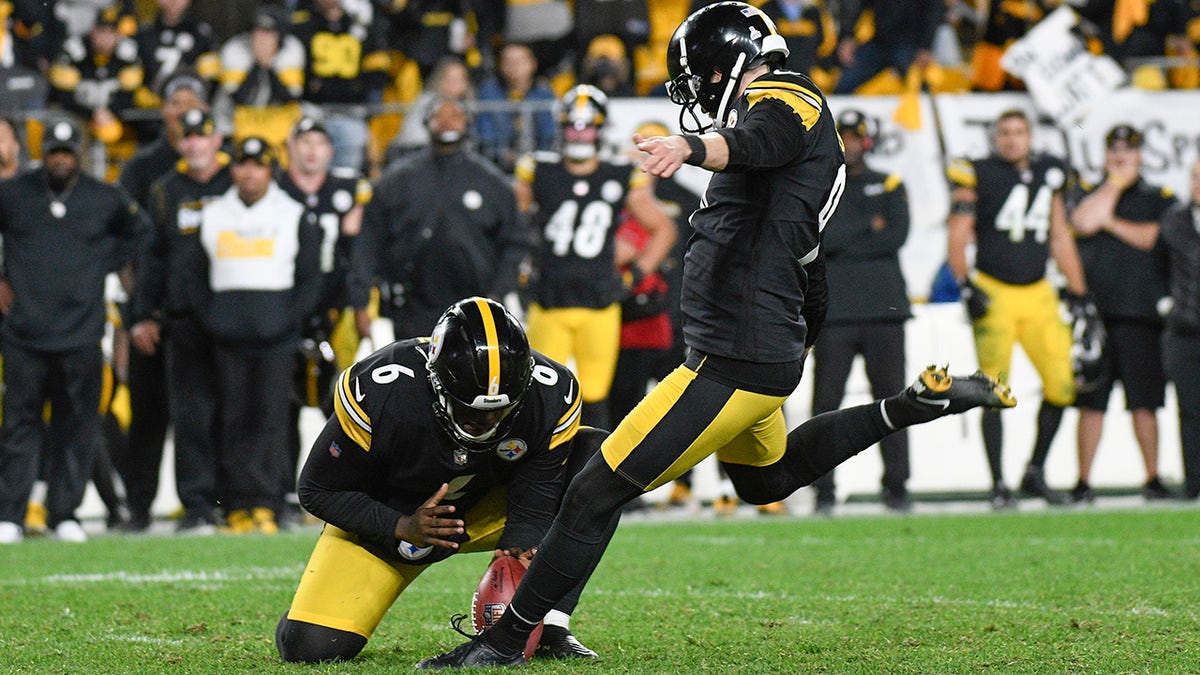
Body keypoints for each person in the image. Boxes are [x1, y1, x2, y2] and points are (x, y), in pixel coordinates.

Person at [417, 3, 1015, 667]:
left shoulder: (788, 98)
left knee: (594, 484)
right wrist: (799, 330)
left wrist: (691, 149)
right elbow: (806, 250)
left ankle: (509, 640)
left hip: (734, 353)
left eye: (698, 77)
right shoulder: (785, 129)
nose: (697, 94)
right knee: (768, 479)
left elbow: (757, 140)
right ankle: (908, 405)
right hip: (755, 346)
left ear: (726, 63)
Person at [275, 297, 612, 663]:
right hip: (390, 523)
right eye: (471, 410)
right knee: (310, 648)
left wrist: (524, 539)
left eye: (500, 410)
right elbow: (318, 489)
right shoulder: (383, 389)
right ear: (436, 383)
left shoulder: (549, 392)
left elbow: (540, 485)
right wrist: (400, 525)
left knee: (599, 461)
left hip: (483, 509)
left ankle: (552, 629)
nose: (486, 422)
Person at [0, 118, 150, 545]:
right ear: (43, 153)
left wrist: (104, 260)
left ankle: (64, 512)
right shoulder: (13, 194)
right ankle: (10, 512)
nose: (60, 160)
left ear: (79, 155)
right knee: (18, 425)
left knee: (78, 425)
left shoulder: (104, 198)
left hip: (82, 331)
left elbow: (141, 233)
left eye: (67, 153)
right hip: (24, 330)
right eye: (53, 152)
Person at [945, 108, 1090, 509]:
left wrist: (1080, 293)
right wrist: (965, 284)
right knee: (993, 391)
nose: (1012, 139)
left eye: (1019, 131)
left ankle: (1035, 470)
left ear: (1030, 136)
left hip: (1040, 292)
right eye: (1004, 132)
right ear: (995, 137)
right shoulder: (978, 172)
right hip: (995, 290)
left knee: (1062, 385)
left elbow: (1059, 234)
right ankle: (998, 484)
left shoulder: (1051, 171)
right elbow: (958, 231)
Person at [181, 136, 322, 534]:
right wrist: (213, 317)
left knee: (272, 420)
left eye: (258, 165)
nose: (249, 173)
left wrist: (287, 319)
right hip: (227, 337)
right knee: (232, 420)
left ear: (269, 170)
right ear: (233, 170)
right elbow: (192, 275)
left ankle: (269, 503)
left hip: (276, 337)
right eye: (243, 164)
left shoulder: (292, 213)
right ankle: (236, 504)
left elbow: (311, 278)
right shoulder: (213, 214)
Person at [516, 84, 676, 430]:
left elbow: (664, 229)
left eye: (586, 125)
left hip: (599, 300)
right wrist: (521, 265)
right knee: (542, 397)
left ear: (600, 128)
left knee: (595, 399)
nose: (579, 132)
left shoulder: (619, 173)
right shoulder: (538, 170)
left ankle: (588, 478)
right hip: (550, 299)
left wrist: (634, 274)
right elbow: (511, 224)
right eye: (573, 125)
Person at [129, 107, 231, 533]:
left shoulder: (237, 181)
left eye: (201, 136)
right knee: (189, 415)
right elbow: (151, 259)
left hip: (233, 318)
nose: (195, 145)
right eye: (187, 138)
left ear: (216, 141)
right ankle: (197, 502)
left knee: (236, 413)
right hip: (185, 318)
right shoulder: (165, 190)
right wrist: (142, 314)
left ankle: (238, 499)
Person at [350, 96, 527, 342]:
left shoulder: (492, 182)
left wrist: (498, 292)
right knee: (415, 376)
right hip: (409, 305)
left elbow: (515, 242)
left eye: (455, 116)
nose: (446, 123)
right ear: (426, 122)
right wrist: (360, 301)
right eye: (439, 116)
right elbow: (368, 242)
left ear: (467, 123)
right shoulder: (397, 180)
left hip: (474, 307)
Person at [114, 74, 209, 531]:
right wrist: (138, 312)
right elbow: (129, 245)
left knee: (202, 412)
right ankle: (137, 507)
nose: (183, 112)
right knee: (147, 413)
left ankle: (204, 503)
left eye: (192, 104)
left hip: (199, 313)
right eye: (176, 103)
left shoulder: (221, 170)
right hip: (152, 307)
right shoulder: (141, 168)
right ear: (163, 111)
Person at [810, 109, 913, 515]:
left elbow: (897, 236)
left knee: (894, 401)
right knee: (826, 404)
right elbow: (820, 236)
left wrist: (843, 239)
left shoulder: (888, 182)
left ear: (866, 140)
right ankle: (822, 489)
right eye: (842, 137)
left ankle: (897, 485)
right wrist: (867, 226)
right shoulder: (819, 187)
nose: (849, 144)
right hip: (833, 312)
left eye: (854, 136)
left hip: (884, 310)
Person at [1069, 124, 1177, 502]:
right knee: (1090, 405)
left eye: (1128, 151)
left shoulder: (1158, 197)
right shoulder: (1090, 192)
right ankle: (1083, 482)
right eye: (1114, 150)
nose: (1120, 157)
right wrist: (1113, 186)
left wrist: (1109, 221)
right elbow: (1082, 222)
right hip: (1096, 316)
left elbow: (1152, 238)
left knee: (1145, 403)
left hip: (1141, 315)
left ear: (1140, 155)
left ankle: (1152, 477)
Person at [277, 115, 371, 520]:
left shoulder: (351, 189)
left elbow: (364, 252)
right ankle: (284, 491)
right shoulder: (276, 190)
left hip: (340, 309)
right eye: (304, 141)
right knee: (283, 404)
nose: (312, 150)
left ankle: (342, 489)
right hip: (288, 308)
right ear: (291, 148)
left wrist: (362, 302)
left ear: (330, 150)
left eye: (319, 142)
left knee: (345, 400)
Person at [1157, 160, 1200, 501]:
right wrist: (1164, 302)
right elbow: (1156, 267)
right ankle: (1194, 483)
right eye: (1196, 177)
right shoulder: (1174, 220)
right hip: (1185, 329)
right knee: (1189, 409)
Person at [475, 42, 557, 173]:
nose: (514, 66)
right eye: (508, 61)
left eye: (519, 61)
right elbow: (485, 133)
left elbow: (549, 133)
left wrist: (535, 157)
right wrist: (503, 154)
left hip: (537, 164)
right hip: (497, 164)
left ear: (532, 64)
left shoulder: (544, 93)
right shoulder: (489, 92)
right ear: (501, 65)